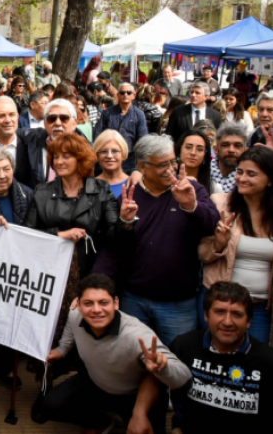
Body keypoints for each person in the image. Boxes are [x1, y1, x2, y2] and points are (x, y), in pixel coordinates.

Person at [94, 134, 220, 346]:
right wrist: (125, 222)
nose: (170, 169)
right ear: (142, 166)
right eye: (162, 164)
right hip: (134, 300)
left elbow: (212, 224)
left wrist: (191, 206)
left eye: (173, 162)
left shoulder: (191, 189)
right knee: (134, 358)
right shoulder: (129, 197)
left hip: (178, 303)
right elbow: (114, 247)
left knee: (177, 363)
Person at [35, 274, 191, 434]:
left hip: (135, 395)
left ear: (116, 303)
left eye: (103, 303)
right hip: (97, 385)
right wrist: (61, 351)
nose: (96, 310)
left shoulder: (136, 335)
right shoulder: (75, 316)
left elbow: (184, 377)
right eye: (88, 303)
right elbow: (70, 335)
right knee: (50, 405)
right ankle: (99, 421)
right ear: (79, 305)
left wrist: (163, 369)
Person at [24, 133, 119, 339]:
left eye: (66, 156)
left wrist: (126, 220)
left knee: (85, 329)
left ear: (81, 159)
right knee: (50, 331)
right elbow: (27, 236)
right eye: (55, 157)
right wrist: (58, 234)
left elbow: (115, 234)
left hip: (90, 271)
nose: (58, 162)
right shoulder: (41, 192)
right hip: (50, 274)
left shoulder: (101, 190)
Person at [169, 282, 273, 434]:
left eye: (237, 314)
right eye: (220, 312)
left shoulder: (272, 364)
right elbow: (160, 384)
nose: (227, 322)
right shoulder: (184, 346)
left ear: (248, 321)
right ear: (206, 315)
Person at [198, 147, 273, 344]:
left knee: (255, 363)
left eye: (251, 174)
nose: (242, 178)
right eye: (240, 172)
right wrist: (219, 244)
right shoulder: (220, 204)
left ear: (270, 180)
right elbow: (202, 254)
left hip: (261, 308)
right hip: (220, 302)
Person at [94, 82, 148, 172]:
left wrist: (140, 161)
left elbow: (142, 139)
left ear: (134, 95)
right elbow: (98, 134)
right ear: (118, 95)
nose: (125, 95)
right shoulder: (108, 113)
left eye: (129, 93)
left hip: (129, 159)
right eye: (122, 93)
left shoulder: (139, 114)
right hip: (109, 156)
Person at [176, 130, 220, 195]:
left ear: (205, 154)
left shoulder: (214, 188)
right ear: (180, 149)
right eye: (188, 147)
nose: (193, 153)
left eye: (200, 149)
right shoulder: (166, 182)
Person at [211, 122, 248, 193]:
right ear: (216, 149)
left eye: (237, 146)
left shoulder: (250, 176)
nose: (231, 150)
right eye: (225, 145)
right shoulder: (203, 171)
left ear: (245, 150)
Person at [94, 130, 130, 198]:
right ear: (97, 155)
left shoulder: (133, 183)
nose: (109, 156)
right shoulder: (89, 186)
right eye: (104, 151)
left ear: (123, 154)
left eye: (115, 151)